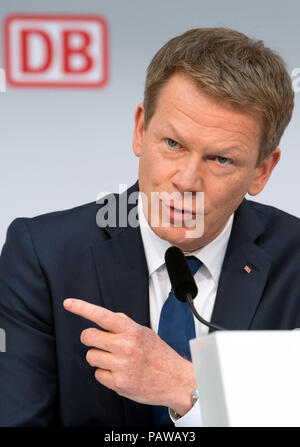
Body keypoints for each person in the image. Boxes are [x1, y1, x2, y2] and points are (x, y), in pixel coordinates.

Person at [0, 27, 299, 428]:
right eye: (173, 144)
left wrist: (189, 388)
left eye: (221, 160)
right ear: (141, 129)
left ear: (262, 171)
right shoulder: (43, 255)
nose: (186, 181)